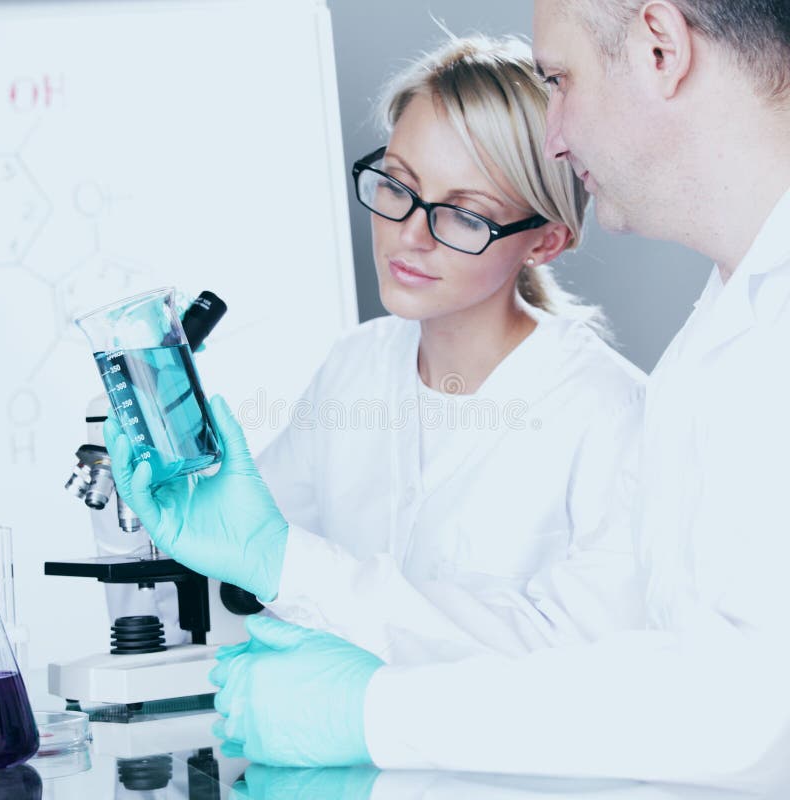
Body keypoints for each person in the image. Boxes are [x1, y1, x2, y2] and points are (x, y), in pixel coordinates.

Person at [205, 0, 790, 791]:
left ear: (661, 48)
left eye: (559, 80)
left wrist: (371, 709)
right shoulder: (719, 333)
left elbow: (738, 704)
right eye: (399, 186)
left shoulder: (626, 399)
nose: (555, 138)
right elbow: (659, 670)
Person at [106, 35, 645, 670]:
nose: (409, 235)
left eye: (465, 215)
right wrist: (181, 475)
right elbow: (253, 552)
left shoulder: (609, 411)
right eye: (397, 184)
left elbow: (589, 656)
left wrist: (289, 570)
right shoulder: (356, 366)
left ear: (545, 241)